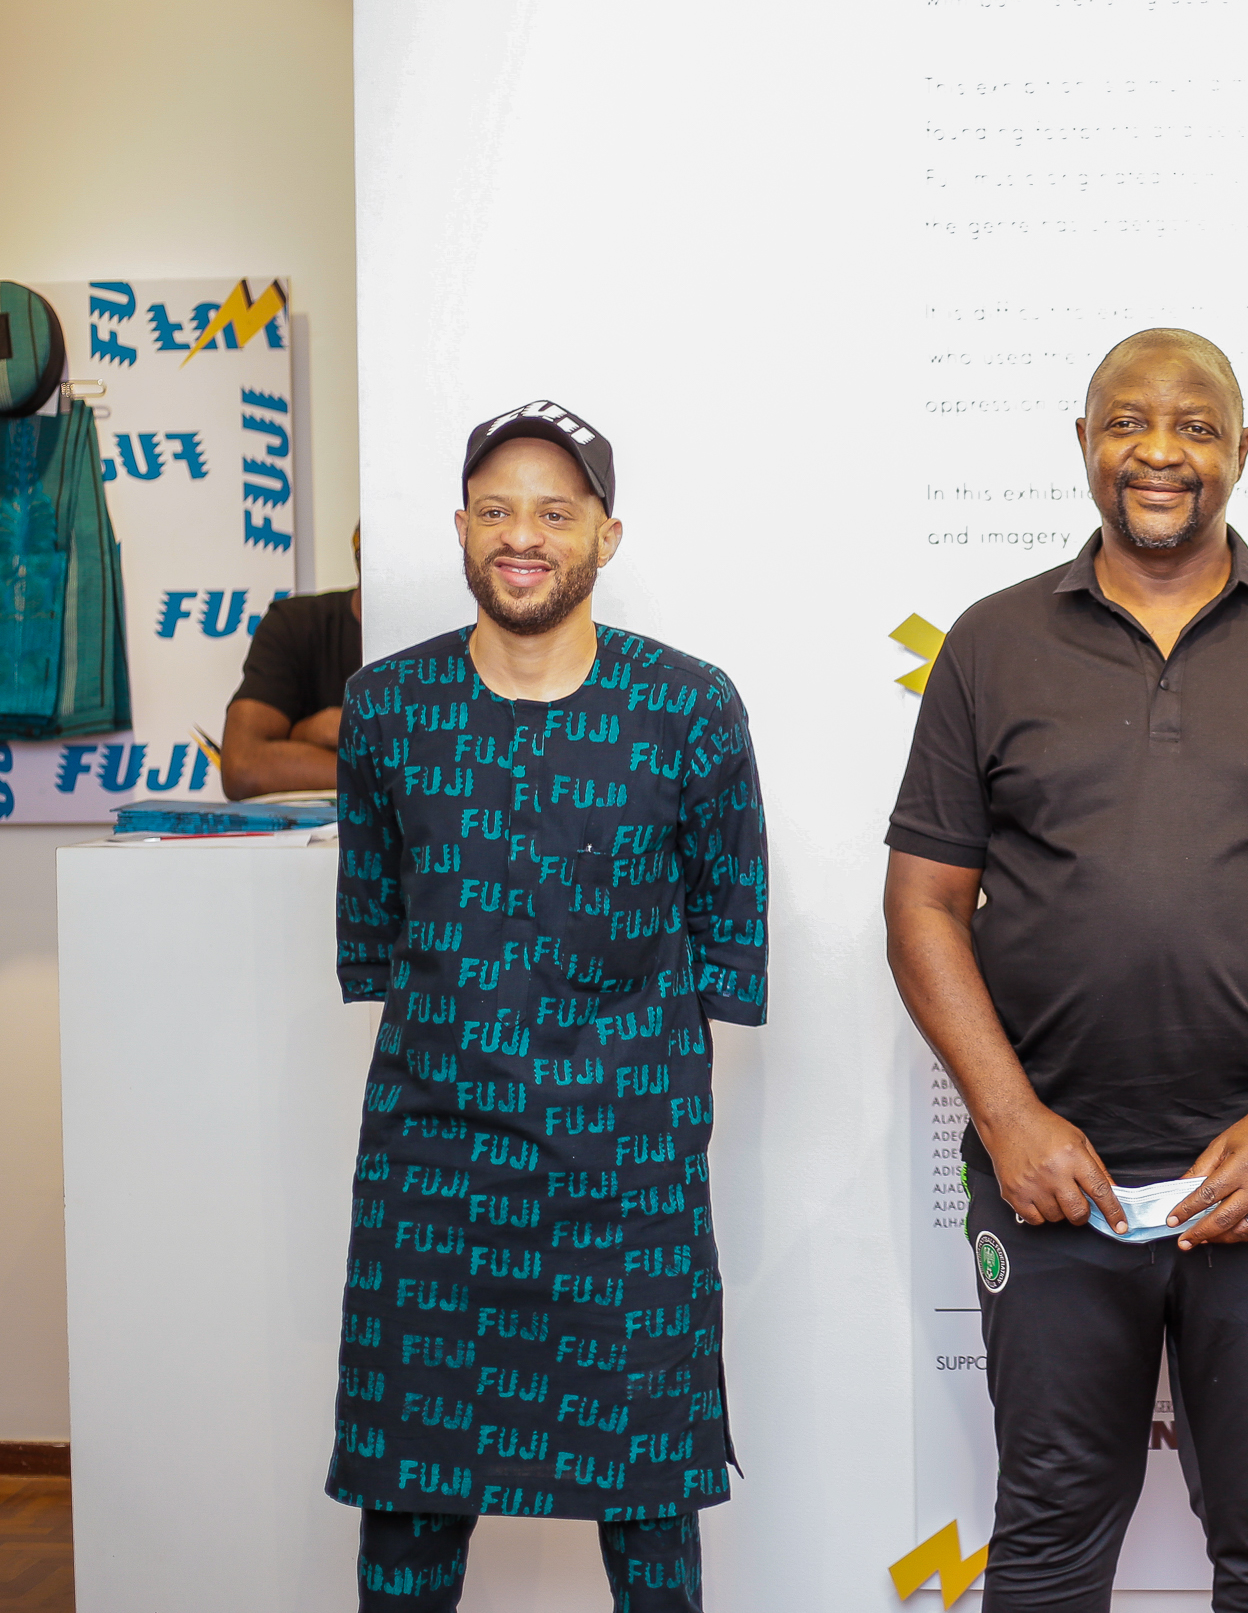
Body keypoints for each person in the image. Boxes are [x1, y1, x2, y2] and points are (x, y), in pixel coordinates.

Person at [884, 329, 1248, 1612]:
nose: (1160, 451)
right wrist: (1008, 1120)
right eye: (1128, 421)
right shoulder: (991, 642)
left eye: (1195, 424)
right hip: (1052, 1183)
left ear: (1242, 449)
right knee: (1046, 1544)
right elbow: (922, 905)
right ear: (1084, 442)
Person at [329, 401, 768, 1613]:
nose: (523, 534)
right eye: (497, 508)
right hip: (432, 1182)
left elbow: (724, 942)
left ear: (605, 537)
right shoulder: (385, 708)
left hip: (625, 1188)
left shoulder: (689, 709)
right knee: (407, 1509)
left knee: (652, 1515)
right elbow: (377, 936)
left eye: (555, 512)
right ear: (461, 527)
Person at [221, 525, 363, 799]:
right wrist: (397, 774)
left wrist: (304, 734)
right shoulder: (297, 623)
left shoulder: (448, 638)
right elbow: (243, 767)